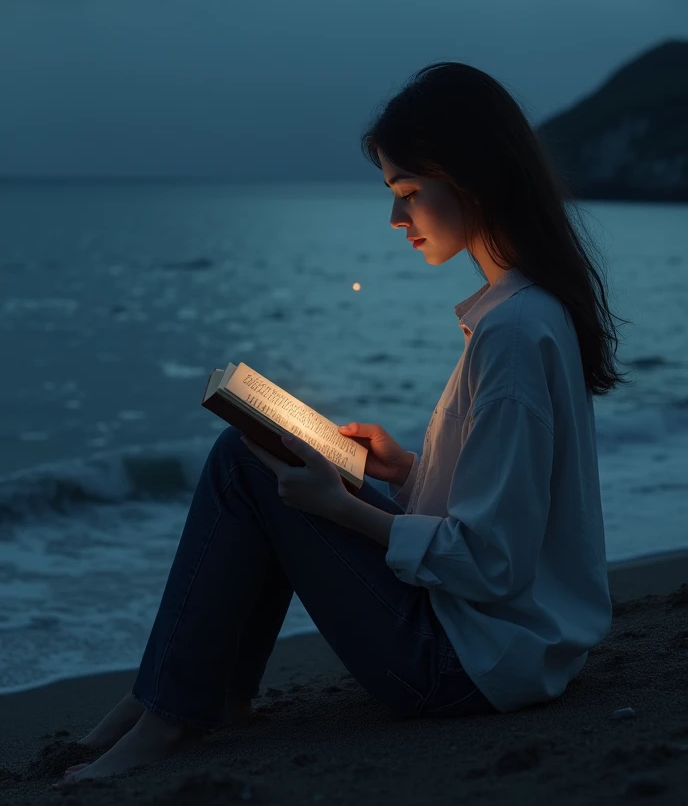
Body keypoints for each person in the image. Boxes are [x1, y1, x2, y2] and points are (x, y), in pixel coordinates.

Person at [53, 61, 629, 787]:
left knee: (244, 458)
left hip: (466, 665)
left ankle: (167, 712)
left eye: (409, 193)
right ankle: (196, 696)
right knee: (269, 453)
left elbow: (491, 561)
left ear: (475, 177)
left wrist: (342, 510)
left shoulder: (512, 334)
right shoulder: (526, 311)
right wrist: (407, 472)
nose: (397, 220)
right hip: (506, 646)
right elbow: (512, 513)